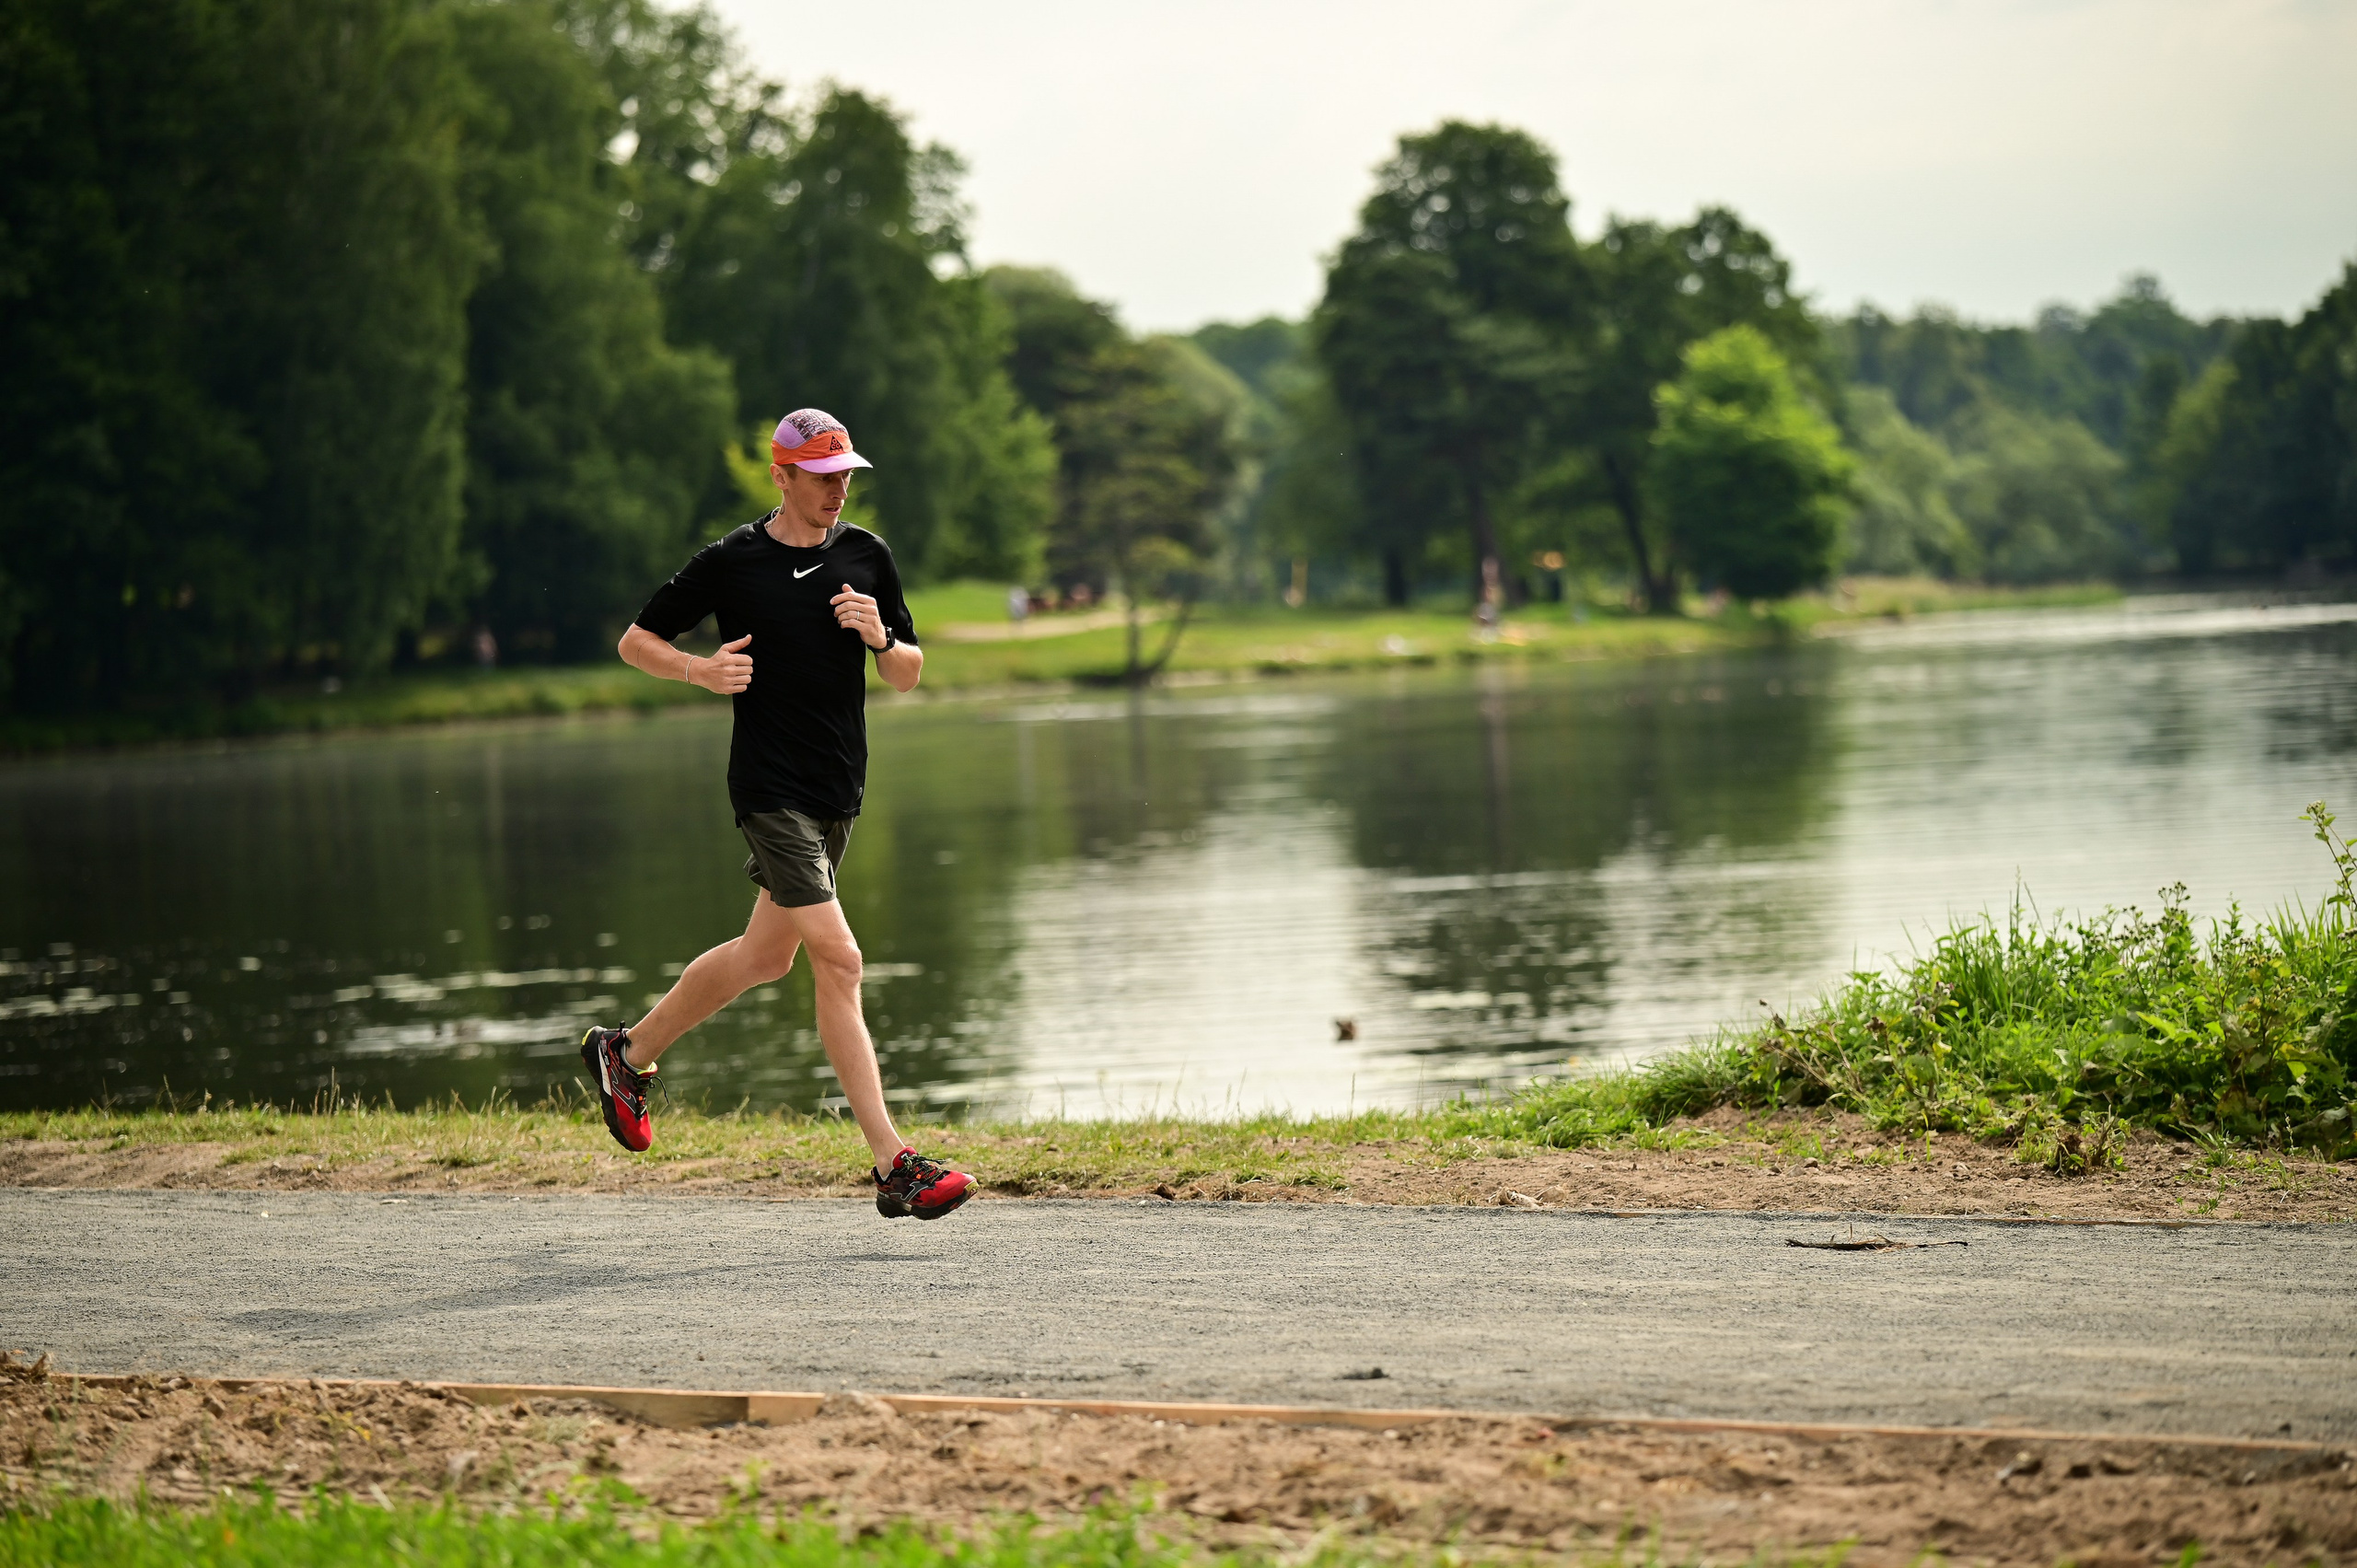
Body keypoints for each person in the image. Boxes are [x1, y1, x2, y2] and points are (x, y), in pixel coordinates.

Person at [583, 408, 973, 1222]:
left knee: (766, 957)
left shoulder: (867, 555)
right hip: (769, 791)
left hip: (839, 793)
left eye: (845, 477)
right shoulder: (733, 562)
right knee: (841, 958)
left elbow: (907, 672)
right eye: (823, 477)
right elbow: (635, 641)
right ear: (782, 477)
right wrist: (699, 670)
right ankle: (893, 1162)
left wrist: (880, 638)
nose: (837, 491)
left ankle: (629, 1054)